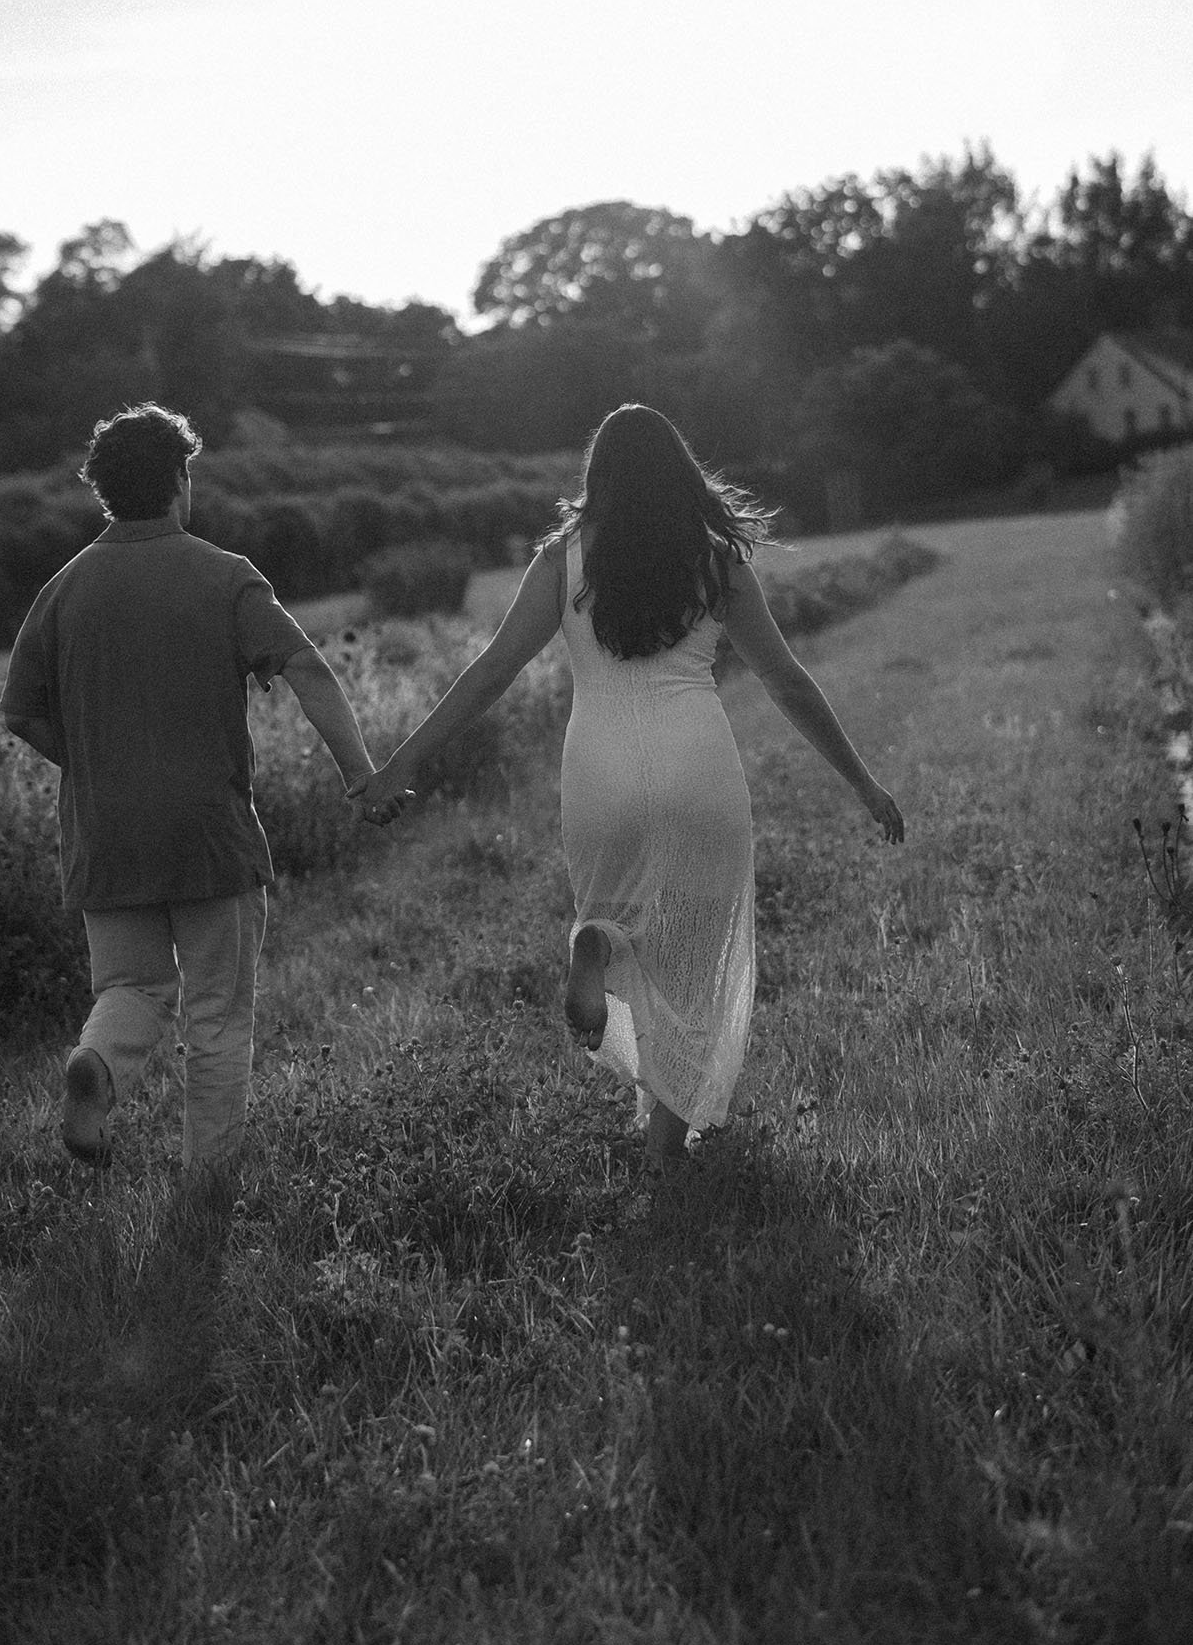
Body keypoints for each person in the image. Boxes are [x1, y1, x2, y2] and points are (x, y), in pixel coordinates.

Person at [358, 405, 903, 1164]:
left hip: (599, 770)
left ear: (599, 477)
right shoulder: (717, 561)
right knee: (697, 960)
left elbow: (492, 671)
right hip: (698, 766)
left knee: (629, 923)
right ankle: (665, 1145)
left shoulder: (562, 561)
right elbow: (786, 680)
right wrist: (864, 782)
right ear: (681, 473)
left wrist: (402, 762)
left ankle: (600, 941)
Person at [0, 402, 396, 1173]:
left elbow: (20, 712)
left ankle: (96, 1063)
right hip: (209, 832)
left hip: (106, 835)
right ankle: (208, 1184)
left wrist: (96, 764)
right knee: (216, 1014)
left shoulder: (63, 589)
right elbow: (307, 668)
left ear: (102, 490)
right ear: (181, 480)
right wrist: (359, 772)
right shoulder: (225, 575)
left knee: (132, 986)